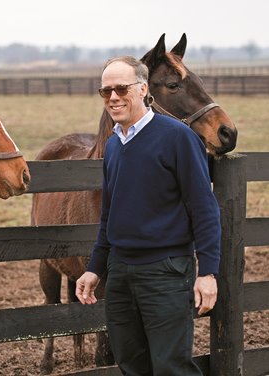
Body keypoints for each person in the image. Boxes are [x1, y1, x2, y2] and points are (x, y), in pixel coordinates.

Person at [75, 55, 221, 376]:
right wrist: (95, 268)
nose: (113, 97)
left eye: (121, 89)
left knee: (171, 367)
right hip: (120, 273)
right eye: (106, 91)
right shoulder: (114, 145)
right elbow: (109, 215)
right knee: (131, 364)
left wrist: (208, 272)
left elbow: (204, 208)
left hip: (165, 271)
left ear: (143, 89)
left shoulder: (177, 138)